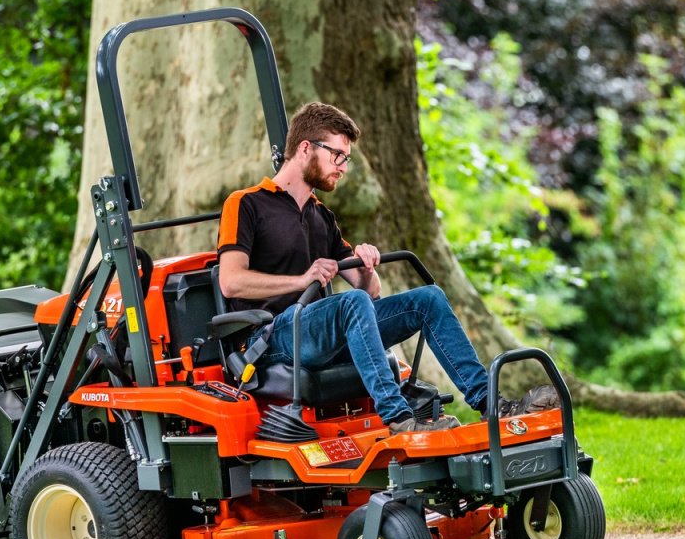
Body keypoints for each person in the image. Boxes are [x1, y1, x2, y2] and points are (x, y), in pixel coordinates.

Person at [217, 101, 506, 434]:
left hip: (321, 332)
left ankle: (490, 403)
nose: (343, 167)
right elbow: (231, 282)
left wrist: (367, 264)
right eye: (337, 155)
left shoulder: (321, 217)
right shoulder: (246, 203)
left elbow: (370, 291)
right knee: (350, 304)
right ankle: (399, 418)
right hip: (270, 340)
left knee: (428, 298)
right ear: (306, 148)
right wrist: (302, 280)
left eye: (346, 158)